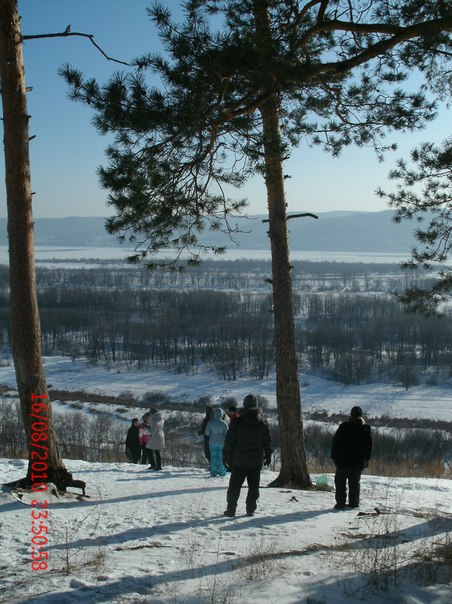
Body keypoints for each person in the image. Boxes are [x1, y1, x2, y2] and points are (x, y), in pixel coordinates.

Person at [222, 394, 272, 517]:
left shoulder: (236, 422)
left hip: (239, 461)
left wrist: (225, 455)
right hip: (256, 461)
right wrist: (268, 454)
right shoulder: (263, 422)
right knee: (253, 487)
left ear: (244, 405)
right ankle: (250, 509)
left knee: (234, 487)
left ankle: (231, 510)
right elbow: (267, 441)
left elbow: (229, 442)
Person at [331, 405, 373, 509]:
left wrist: (334, 457)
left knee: (340, 482)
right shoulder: (365, 429)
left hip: (343, 461)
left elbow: (335, 443)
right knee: (354, 483)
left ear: (350, 415)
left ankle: (340, 503)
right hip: (358, 462)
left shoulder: (344, 426)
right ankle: (354, 503)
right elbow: (369, 446)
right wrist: (367, 459)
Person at [205, 407, 229, 477]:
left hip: (212, 442)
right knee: (221, 456)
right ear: (222, 414)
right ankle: (222, 471)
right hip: (222, 442)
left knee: (213, 456)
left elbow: (207, 433)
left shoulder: (210, 422)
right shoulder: (224, 423)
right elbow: (227, 434)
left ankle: (213, 472)